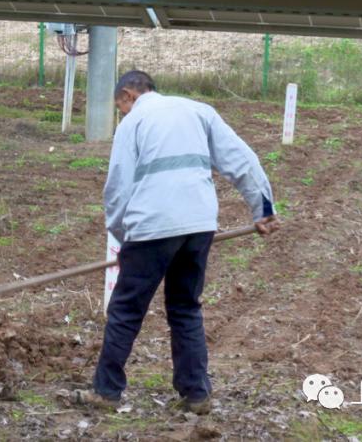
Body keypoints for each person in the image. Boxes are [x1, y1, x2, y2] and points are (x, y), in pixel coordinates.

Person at [85, 70, 278, 414]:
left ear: (129, 95)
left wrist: (123, 237)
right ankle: (196, 394)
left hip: (152, 225)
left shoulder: (133, 122)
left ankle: (106, 392)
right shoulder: (199, 111)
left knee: (126, 310)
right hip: (200, 224)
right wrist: (263, 209)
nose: (122, 113)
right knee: (185, 307)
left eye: (120, 107)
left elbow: (118, 188)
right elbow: (241, 159)